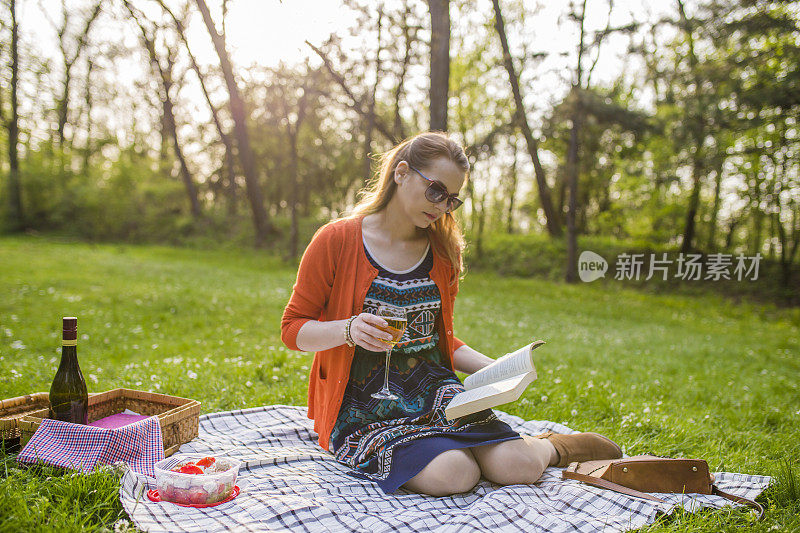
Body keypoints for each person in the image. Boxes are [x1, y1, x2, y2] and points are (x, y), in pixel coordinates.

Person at [280, 131, 622, 496]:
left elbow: (440, 342)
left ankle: (554, 446)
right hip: (365, 406)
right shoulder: (337, 240)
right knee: (454, 475)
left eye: (451, 199)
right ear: (401, 173)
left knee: (517, 466)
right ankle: (456, 452)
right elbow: (292, 328)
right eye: (435, 191)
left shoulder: (443, 252)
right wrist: (348, 330)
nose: (442, 206)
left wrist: (499, 368)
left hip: (436, 391)